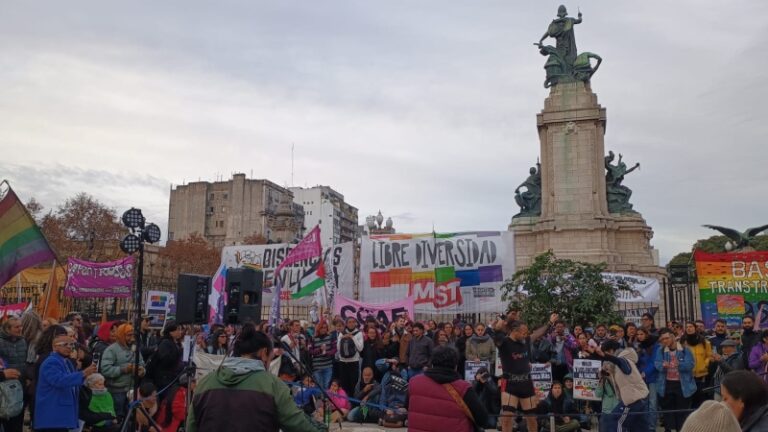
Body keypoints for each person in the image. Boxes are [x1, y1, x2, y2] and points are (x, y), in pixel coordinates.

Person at [186, 324, 324, 432]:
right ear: (264, 353)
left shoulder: (205, 383)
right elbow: (298, 425)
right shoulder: (272, 385)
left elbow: (191, 426)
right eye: (271, 357)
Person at [493, 313, 557, 432]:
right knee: (506, 419)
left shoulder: (526, 341)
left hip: (526, 383)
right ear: (514, 331)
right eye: (523, 332)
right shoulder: (504, 343)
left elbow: (537, 333)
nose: (525, 334)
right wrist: (502, 321)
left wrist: (549, 322)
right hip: (510, 384)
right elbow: (497, 331)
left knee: (532, 419)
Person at [408, 346, 489, 432]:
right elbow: (483, 420)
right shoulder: (463, 388)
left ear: (432, 363)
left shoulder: (414, 382)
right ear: (455, 366)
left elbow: (407, 407)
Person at [34, 325, 98, 431]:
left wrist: (84, 375)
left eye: (71, 345)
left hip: (60, 414)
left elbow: (71, 380)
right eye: (65, 345)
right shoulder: (51, 362)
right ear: (54, 347)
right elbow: (59, 380)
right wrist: (82, 374)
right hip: (52, 414)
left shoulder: (66, 361)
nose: (69, 347)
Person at [589, 340, 649, 432]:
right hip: (639, 398)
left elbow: (618, 361)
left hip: (633, 399)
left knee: (615, 420)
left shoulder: (624, 359)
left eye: (606, 352)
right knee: (638, 426)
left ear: (611, 351)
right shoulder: (620, 364)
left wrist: (605, 355)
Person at [655, 327, 696, 432]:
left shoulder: (684, 349)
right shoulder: (661, 350)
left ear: (673, 337)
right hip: (666, 384)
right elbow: (657, 364)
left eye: (667, 338)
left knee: (682, 412)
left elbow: (691, 365)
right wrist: (663, 366)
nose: (665, 341)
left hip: (682, 385)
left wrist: (680, 365)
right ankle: (669, 429)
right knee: (668, 411)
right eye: (662, 339)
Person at [100, 323, 144, 419]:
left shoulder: (135, 349)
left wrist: (141, 371)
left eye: (133, 335)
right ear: (121, 335)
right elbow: (105, 369)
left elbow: (141, 363)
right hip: (116, 392)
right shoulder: (111, 350)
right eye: (129, 335)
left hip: (132, 391)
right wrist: (123, 369)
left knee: (131, 418)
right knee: (117, 418)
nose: (132, 338)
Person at [0, 316, 28, 432]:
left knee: (18, 414)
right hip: (5, 384)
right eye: (16, 327)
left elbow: (25, 360)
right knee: (5, 413)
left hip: (21, 383)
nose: (20, 329)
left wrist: (27, 376)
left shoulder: (23, 341)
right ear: (8, 329)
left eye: (21, 326)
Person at [682, 321, 712, 407]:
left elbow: (709, 356)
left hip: (701, 374)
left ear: (695, 328)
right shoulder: (683, 342)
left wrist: (705, 364)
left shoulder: (704, 341)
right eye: (687, 327)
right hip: (688, 374)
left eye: (691, 326)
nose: (689, 328)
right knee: (689, 399)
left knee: (700, 398)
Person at [635, 327, 660, 431]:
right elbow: (638, 362)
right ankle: (645, 426)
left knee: (653, 404)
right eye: (638, 334)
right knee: (644, 404)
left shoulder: (655, 345)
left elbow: (655, 361)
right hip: (642, 378)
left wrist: (645, 372)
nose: (639, 336)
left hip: (653, 378)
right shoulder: (639, 346)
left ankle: (651, 427)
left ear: (646, 334)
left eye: (641, 334)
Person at [149, 321, 183, 394]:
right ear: (171, 332)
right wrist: (179, 352)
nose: (180, 332)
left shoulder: (176, 343)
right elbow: (165, 360)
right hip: (164, 379)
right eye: (178, 330)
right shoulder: (165, 343)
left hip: (171, 377)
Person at [336, 317, 364, 396]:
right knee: (344, 384)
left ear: (356, 323)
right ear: (346, 324)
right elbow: (338, 348)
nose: (351, 324)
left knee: (353, 384)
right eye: (349, 322)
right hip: (343, 362)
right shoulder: (342, 333)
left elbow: (360, 348)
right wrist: (341, 339)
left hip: (354, 362)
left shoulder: (359, 333)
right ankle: (345, 402)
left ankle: (353, 403)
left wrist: (352, 337)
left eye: (353, 322)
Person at [308, 320, 335, 389]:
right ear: (318, 328)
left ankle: (326, 399)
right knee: (319, 386)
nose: (324, 329)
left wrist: (327, 353)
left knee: (327, 385)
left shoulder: (330, 337)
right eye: (322, 328)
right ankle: (319, 399)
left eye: (325, 328)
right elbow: (310, 351)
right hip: (317, 366)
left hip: (328, 365)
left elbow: (335, 349)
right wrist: (319, 350)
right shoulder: (313, 338)